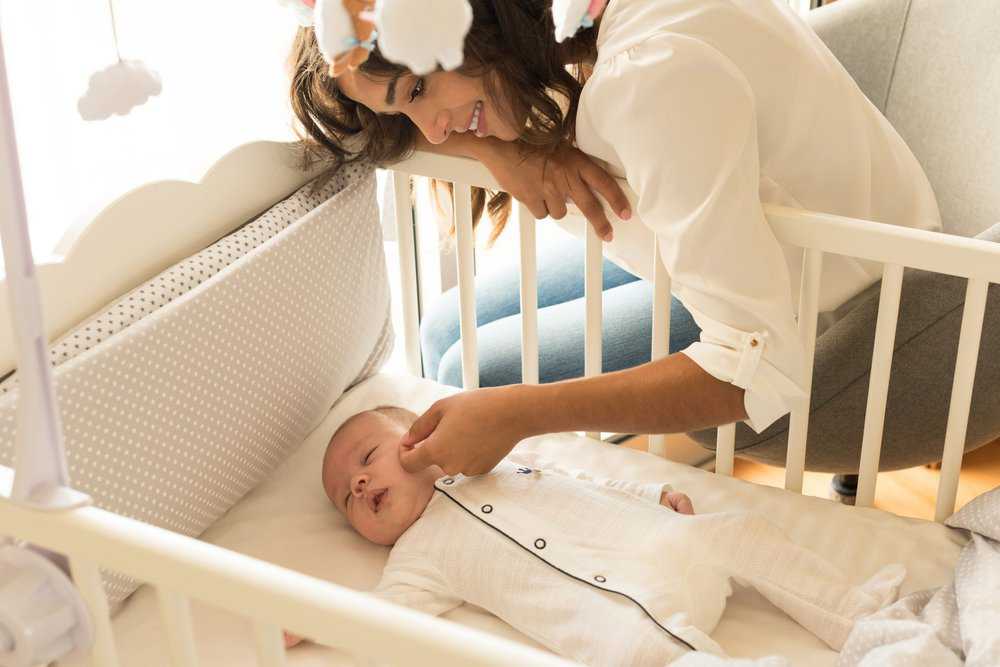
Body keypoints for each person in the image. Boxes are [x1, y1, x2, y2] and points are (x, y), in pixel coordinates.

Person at [287, 0, 942, 477]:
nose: (432, 132)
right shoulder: (580, 19)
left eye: (420, 89)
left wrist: (516, 415)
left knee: (475, 373)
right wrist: (497, 151)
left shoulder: (651, 75)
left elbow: (754, 372)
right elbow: (354, 132)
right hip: (753, 247)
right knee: (439, 328)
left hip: (855, 311)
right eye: (404, 109)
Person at [282, 406, 905, 665]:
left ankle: (864, 620)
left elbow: (580, 482)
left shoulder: (494, 460)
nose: (360, 485)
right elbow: (380, 618)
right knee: (658, 652)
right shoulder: (418, 558)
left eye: (367, 458)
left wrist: (651, 495)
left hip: (664, 544)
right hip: (616, 622)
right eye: (347, 498)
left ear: (420, 433)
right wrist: (306, 615)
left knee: (745, 533)